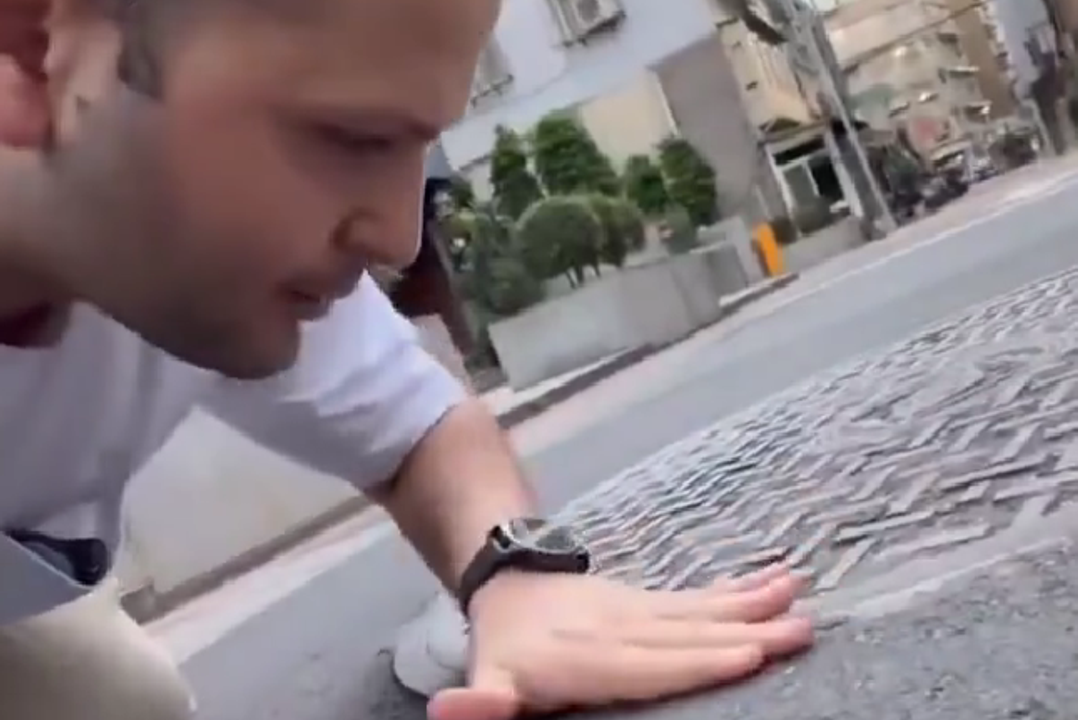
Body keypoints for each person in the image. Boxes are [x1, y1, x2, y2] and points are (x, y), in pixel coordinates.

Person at [0, 0, 815, 718]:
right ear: (31, 50)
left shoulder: (191, 248)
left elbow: (423, 430)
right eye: (353, 138)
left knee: (123, 703)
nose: (399, 238)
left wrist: (515, 574)